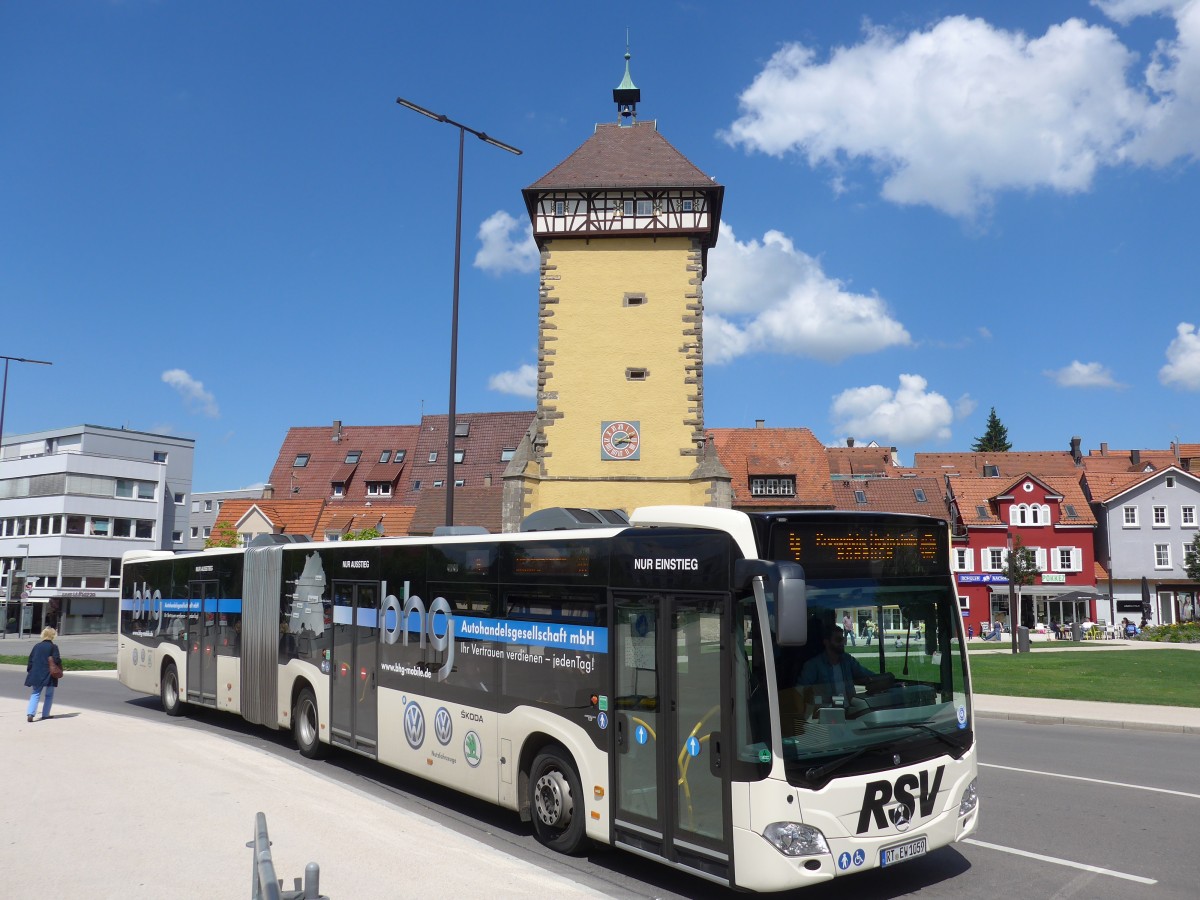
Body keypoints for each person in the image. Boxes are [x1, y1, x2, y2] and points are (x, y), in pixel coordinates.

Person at [799, 624, 893, 708]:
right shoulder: (814, 665)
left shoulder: (847, 660)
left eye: (843, 639)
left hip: (850, 711)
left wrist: (884, 680)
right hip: (827, 714)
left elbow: (866, 675)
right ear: (826, 642)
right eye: (838, 640)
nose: (842, 643)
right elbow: (798, 691)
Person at [25, 626, 63, 722]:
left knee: (35, 693)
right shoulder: (53, 647)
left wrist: (30, 671)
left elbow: (31, 660)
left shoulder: (37, 646)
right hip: (49, 674)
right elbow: (57, 659)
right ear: (53, 636)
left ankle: (30, 713)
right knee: (49, 695)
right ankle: (45, 714)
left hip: (36, 673)